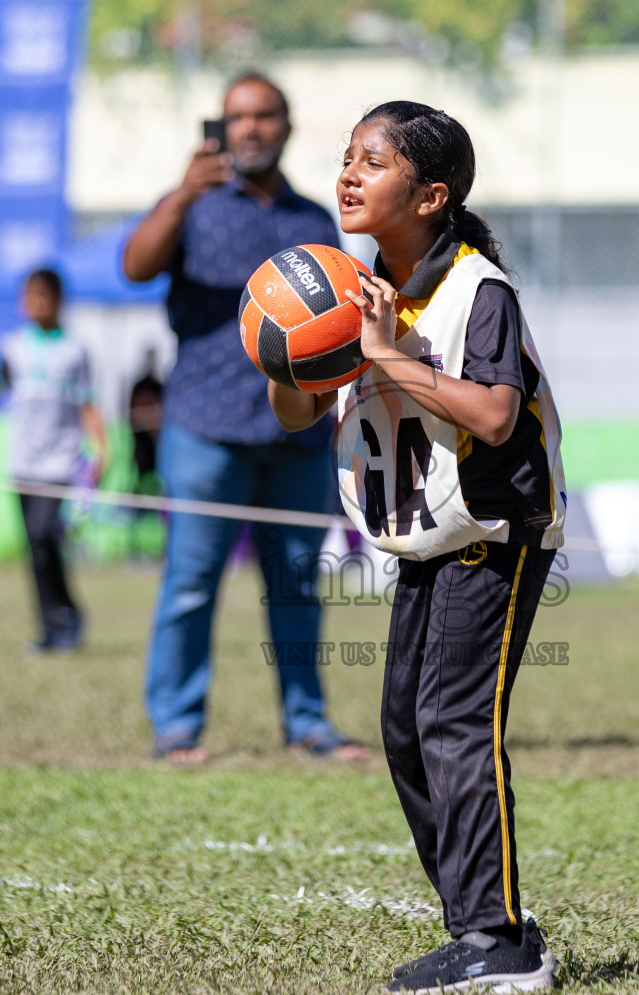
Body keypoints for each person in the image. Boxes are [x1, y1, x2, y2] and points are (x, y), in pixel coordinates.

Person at [268, 101, 567, 995]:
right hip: (428, 545)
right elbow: (295, 415)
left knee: (454, 725)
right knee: (405, 732)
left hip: (493, 533)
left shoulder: (479, 291)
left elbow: (493, 414)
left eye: (374, 161)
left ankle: (496, 938)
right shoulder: (351, 288)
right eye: (347, 157)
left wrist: (384, 353)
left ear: (432, 195)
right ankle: (483, 922)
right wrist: (289, 352)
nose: (349, 174)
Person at [122, 72, 367, 764]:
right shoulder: (192, 207)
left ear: (287, 127)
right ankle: (176, 726)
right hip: (204, 427)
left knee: (295, 585)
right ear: (220, 128)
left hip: (295, 433)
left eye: (265, 116)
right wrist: (181, 193)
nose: (251, 128)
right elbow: (135, 266)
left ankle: (308, 723)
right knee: (191, 583)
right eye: (238, 117)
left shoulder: (314, 219)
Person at [0, 268, 108, 654]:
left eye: (43, 296)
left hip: (59, 459)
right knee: (34, 544)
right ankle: (50, 623)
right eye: (30, 296)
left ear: (58, 300)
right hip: (22, 461)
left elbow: (87, 402)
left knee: (46, 534)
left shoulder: (75, 350)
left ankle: (66, 615)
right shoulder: (12, 347)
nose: (36, 304)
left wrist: (101, 447)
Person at [126, 347, 164, 560]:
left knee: (163, 499)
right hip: (140, 452)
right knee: (136, 500)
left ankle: (163, 547)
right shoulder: (138, 386)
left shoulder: (159, 386)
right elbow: (131, 415)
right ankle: (135, 550)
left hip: (159, 452)